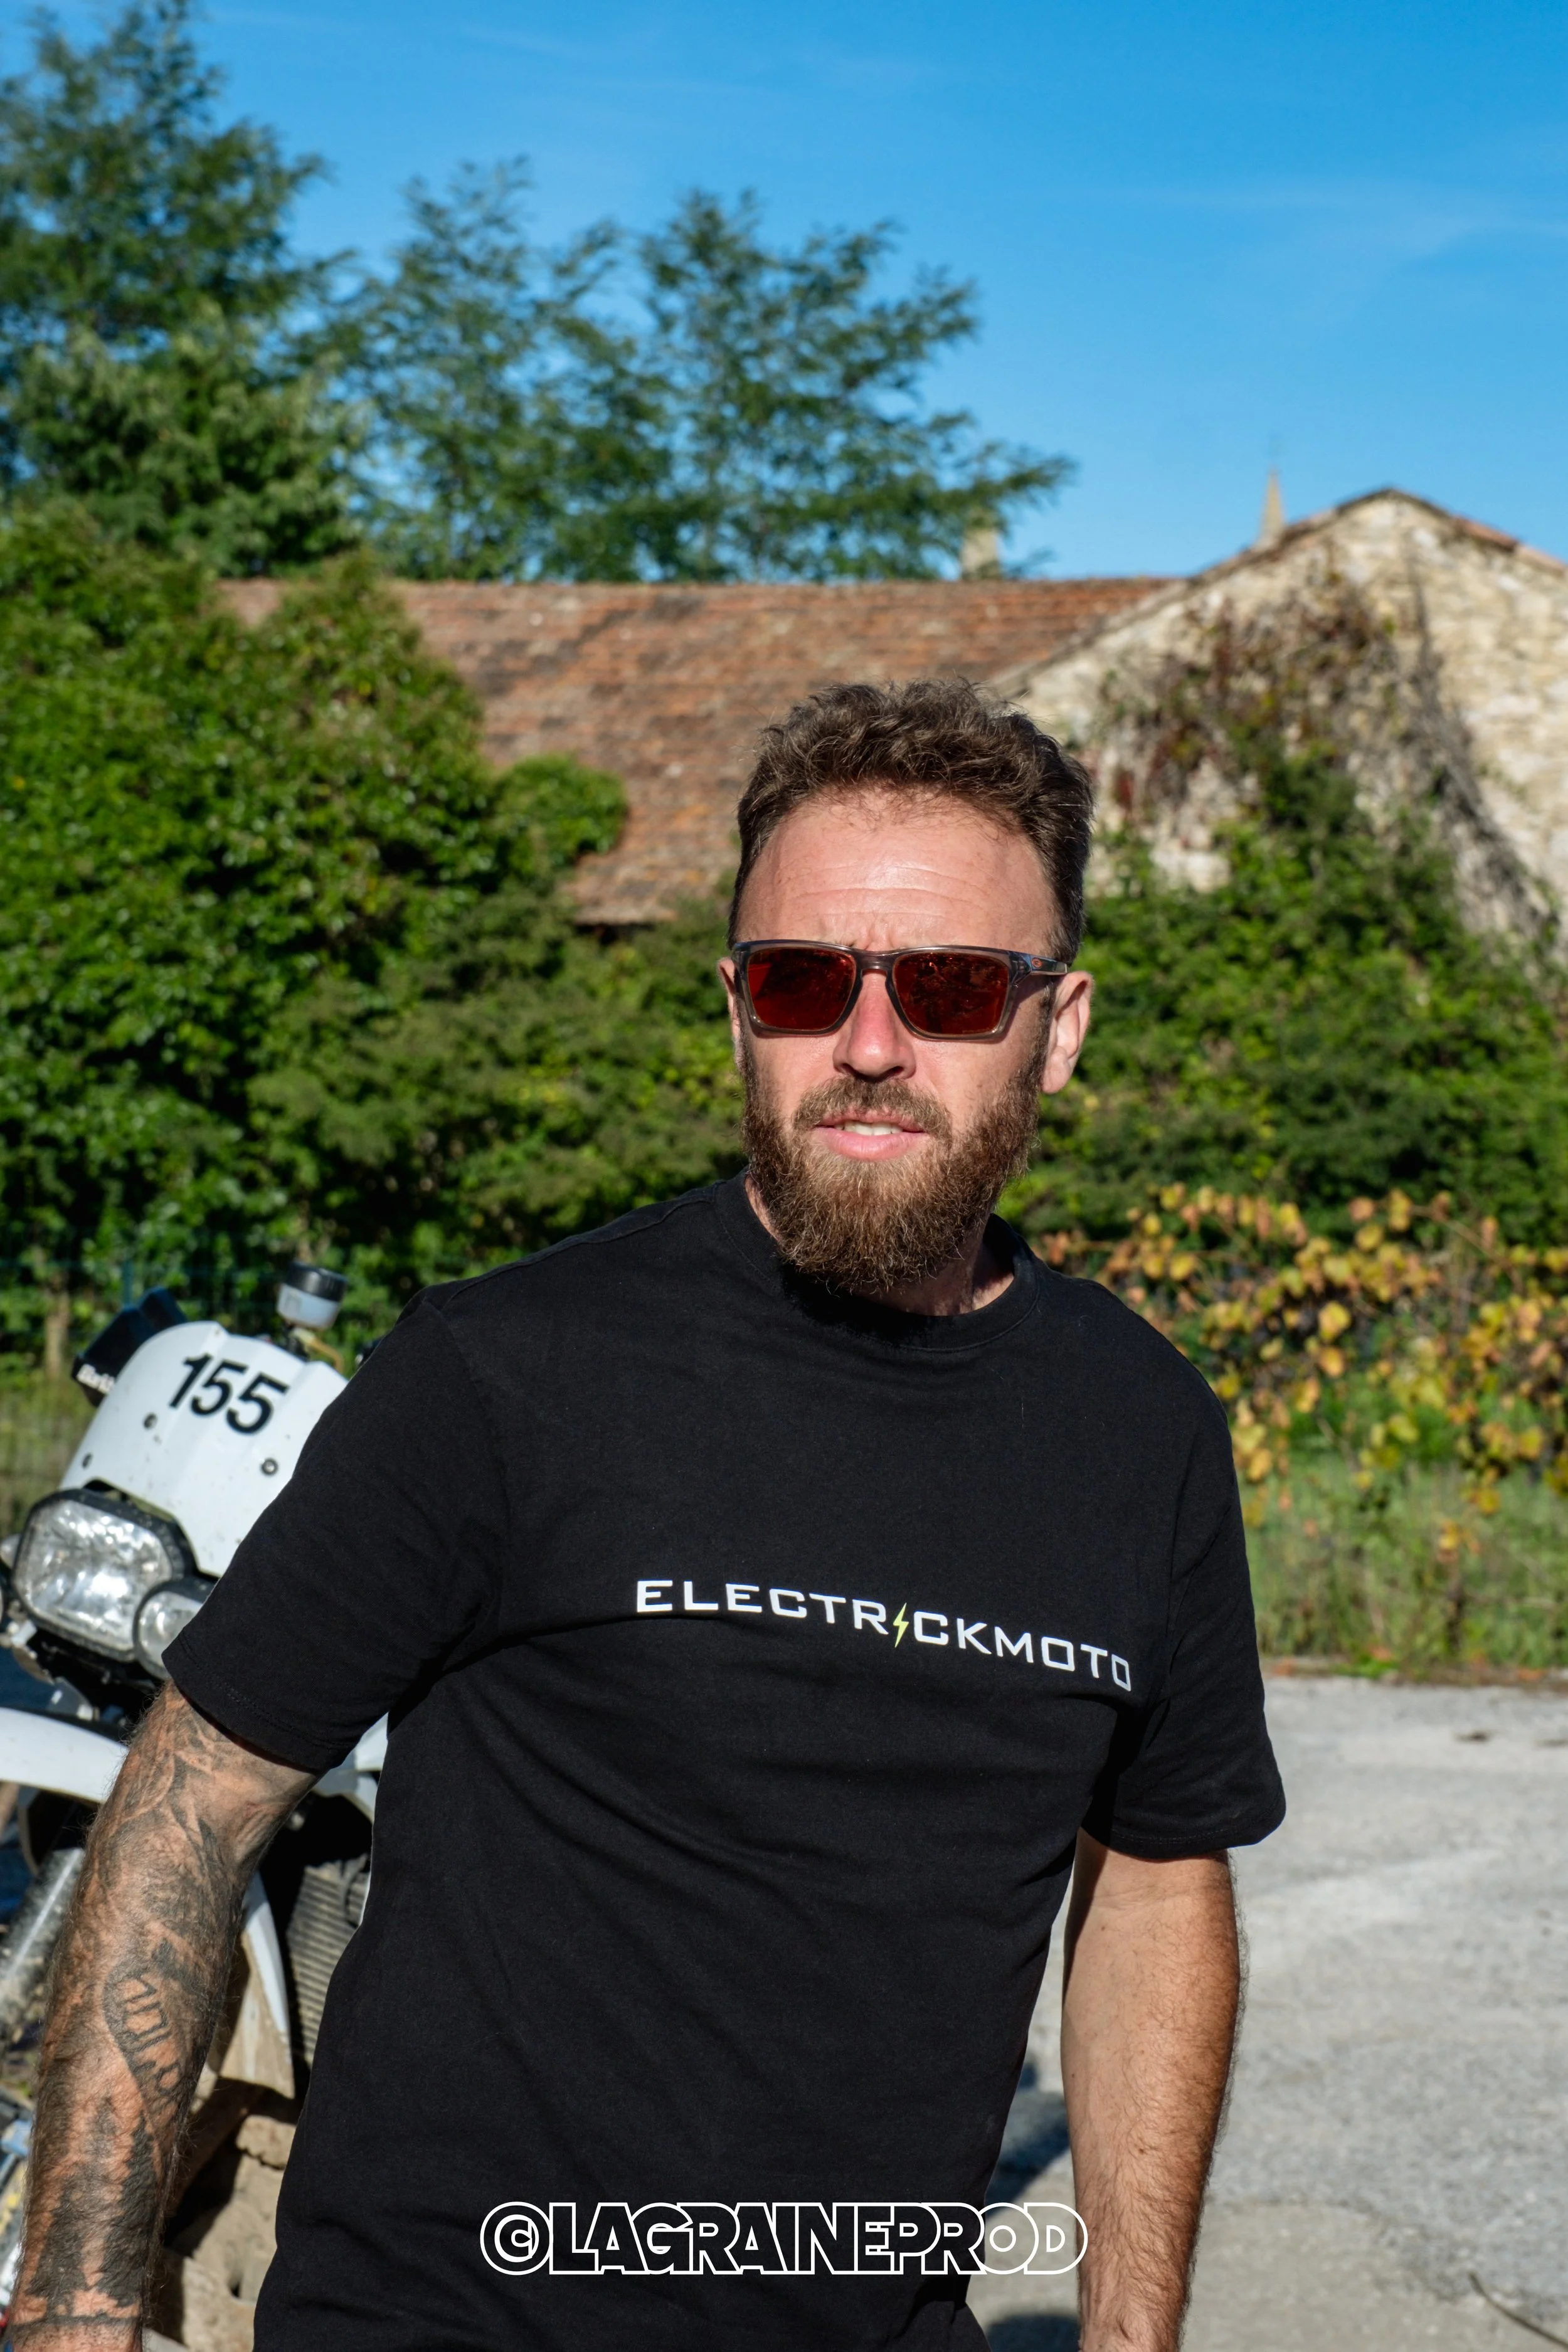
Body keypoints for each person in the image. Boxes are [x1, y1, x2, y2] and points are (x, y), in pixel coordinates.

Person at [13, 679, 1283, 2352]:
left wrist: (1131, 2339)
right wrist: (77, 2313)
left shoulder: (1144, 1433)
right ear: (738, 1008)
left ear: (1058, 1024)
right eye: (803, 976)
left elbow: (1150, 1884)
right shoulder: (503, 1370)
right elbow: (192, 1800)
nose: (872, 1042)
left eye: (955, 985)